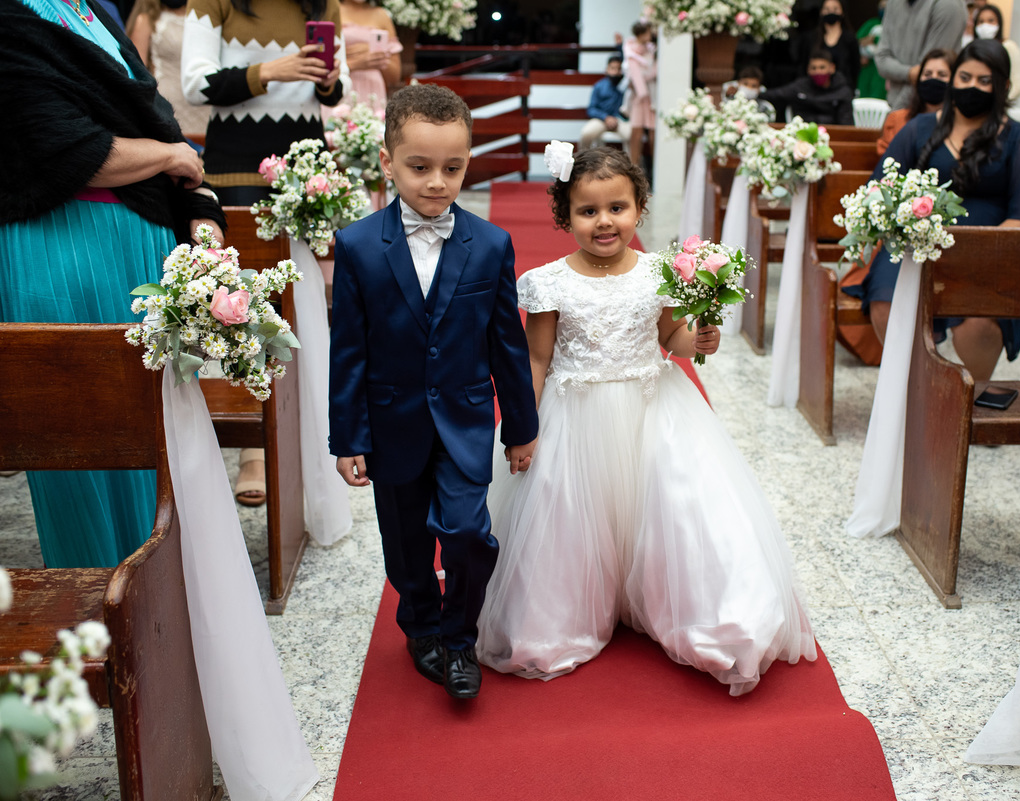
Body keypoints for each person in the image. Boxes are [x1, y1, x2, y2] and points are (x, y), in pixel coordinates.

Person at [475, 145, 817, 696]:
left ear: (639, 209)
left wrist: (699, 337)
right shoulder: (547, 282)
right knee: (570, 516)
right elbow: (537, 359)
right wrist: (523, 429)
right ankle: (570, 612)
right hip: (574, 417)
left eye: (618, 207)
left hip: (653, 409)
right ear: (565, 215)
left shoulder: (659, 271)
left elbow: (670, 338)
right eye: (588, 211)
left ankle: (683, 608)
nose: (604, 221)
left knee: (675, 510)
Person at [329, 84, 539, 700]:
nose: (436, 182)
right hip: (392, 423)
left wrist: (521, 427)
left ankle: (457, 639)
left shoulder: (491, 245)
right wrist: (348, 437)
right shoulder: (359, 246)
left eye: (453, 167)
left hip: (466, 420)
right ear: (387, 161)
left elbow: (507, 344)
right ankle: (419, 623)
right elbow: (350, 351)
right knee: (406, 546)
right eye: (419, 167)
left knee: (469, 532)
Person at [2, 0, 224, 567]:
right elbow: (72, 150)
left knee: (155, 438)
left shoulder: (90, 8)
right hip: (65, 243)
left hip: (138, 238)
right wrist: (172, 154)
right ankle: (105, 605)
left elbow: (148, 112)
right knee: (84, 444)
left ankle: (163, 606)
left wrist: (200, 208)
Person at [183, 0, 350, 505]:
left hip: (303, 175)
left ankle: (312, 445)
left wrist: (327, 80)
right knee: (245, 310)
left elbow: (332, 92)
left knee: (301, 311)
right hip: (236, 174)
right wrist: (269, 71)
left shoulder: (325, 4)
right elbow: (195, 84)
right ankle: (253, 451)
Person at [849, 39, 1020, 384]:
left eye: (984, 80)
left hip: (988, 256)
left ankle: (967, 401)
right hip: (913, 249)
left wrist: (973, 249)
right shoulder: (918, 129)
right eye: (964, 77)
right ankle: (911, 389)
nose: (971, 87)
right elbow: (880, 189)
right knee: (886, 302)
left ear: (1002, 86)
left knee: (978, 325)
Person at [126, 0, 210, 138]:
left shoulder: (203, 18)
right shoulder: (147, 20)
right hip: (169, 104)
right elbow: (135, 70)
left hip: (203, 103)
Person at [874, 0, 967, 109]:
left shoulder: (948, 5)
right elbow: (881, 59)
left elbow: (926, 74)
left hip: (933, 110)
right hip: (894, 105)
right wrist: (909, 73)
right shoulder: (893, 3)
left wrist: (898, 112)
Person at [877, 48, 954, 155]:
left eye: (942, 75)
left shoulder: (960, 125)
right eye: (927, 74)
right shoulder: (897, 120)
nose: (933, 79)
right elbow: (886, 160)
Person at [332, 0, 401, 115]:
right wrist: (355, 63)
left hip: (373, 92)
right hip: (339, 88)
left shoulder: (381, 15)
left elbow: (395, 77)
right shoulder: (330, 10)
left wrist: (377, 53)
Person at [759, 47, 854, 126]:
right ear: (808, 70)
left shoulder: (842, 91)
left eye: (822, 67)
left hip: (833, 136)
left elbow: (846, 124)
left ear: (832, 68)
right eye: (814, 68)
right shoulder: (800, 87)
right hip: (803, 136)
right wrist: (755, 92)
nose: (818, 72)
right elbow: (777, 94)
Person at [794, 0, 861, 90]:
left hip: (841, 90)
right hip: (814, 91)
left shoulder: (850, 39)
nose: (831, 12)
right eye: (827, 9)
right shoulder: (811, 38)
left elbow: (855, 68)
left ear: (842, 12)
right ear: (821, 12)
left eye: (835, 9)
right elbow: (802, 65)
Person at [971, 5, 1020, 101]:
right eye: (981, 22)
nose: (985, 25)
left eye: (990, 21)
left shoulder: (1008, 47)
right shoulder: (971, 49)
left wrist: (1000, 103)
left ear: (999, 23)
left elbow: (1017, 86)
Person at [579, 55, 631, 150]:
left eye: (618, 69)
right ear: (607, 69)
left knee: (632, 135)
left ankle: (633, 164)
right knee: (585, 133)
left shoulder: (626, 86)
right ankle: (582, 162)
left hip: (620, 120)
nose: (615, 72)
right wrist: (605, 117)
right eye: (612, 68)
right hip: (601, 120)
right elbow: (591, 109)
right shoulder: (599, 86)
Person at [624, 21, 656, 170]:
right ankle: (634, 168)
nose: (651, 35)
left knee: (653, 131)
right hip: (638, 95)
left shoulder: (651, 49)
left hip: (651, 96)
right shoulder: (630, 50)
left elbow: (653, 71)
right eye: (649, 32)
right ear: (642, 34)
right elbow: (632, 73)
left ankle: (655, 169)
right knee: (636, 131)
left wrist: (647, 74)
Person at [856, 0, 888, 100]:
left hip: (884, 73)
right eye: (881, 7)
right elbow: (857, 42)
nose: (884, 9)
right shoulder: (871, 23)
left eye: (886, 6)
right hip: (868, 70)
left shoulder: (897, 25)